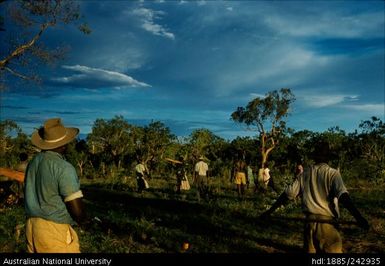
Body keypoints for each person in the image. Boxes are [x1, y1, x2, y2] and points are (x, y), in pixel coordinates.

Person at [260, 140, 369, 253]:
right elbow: (343, 197)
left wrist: (269, 211)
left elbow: (288, 194)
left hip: (309, 225)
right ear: (328, 158)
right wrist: (359, 218)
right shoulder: (333, 173)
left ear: (314, 157)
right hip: (327, 225)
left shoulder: (305, 173)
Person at [24, 118, 86, 253]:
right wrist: (84, 221)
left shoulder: (33, 163)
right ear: (64, 144)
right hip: (54, 229)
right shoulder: (63, 167)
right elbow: (75, 208)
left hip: (31, 227)